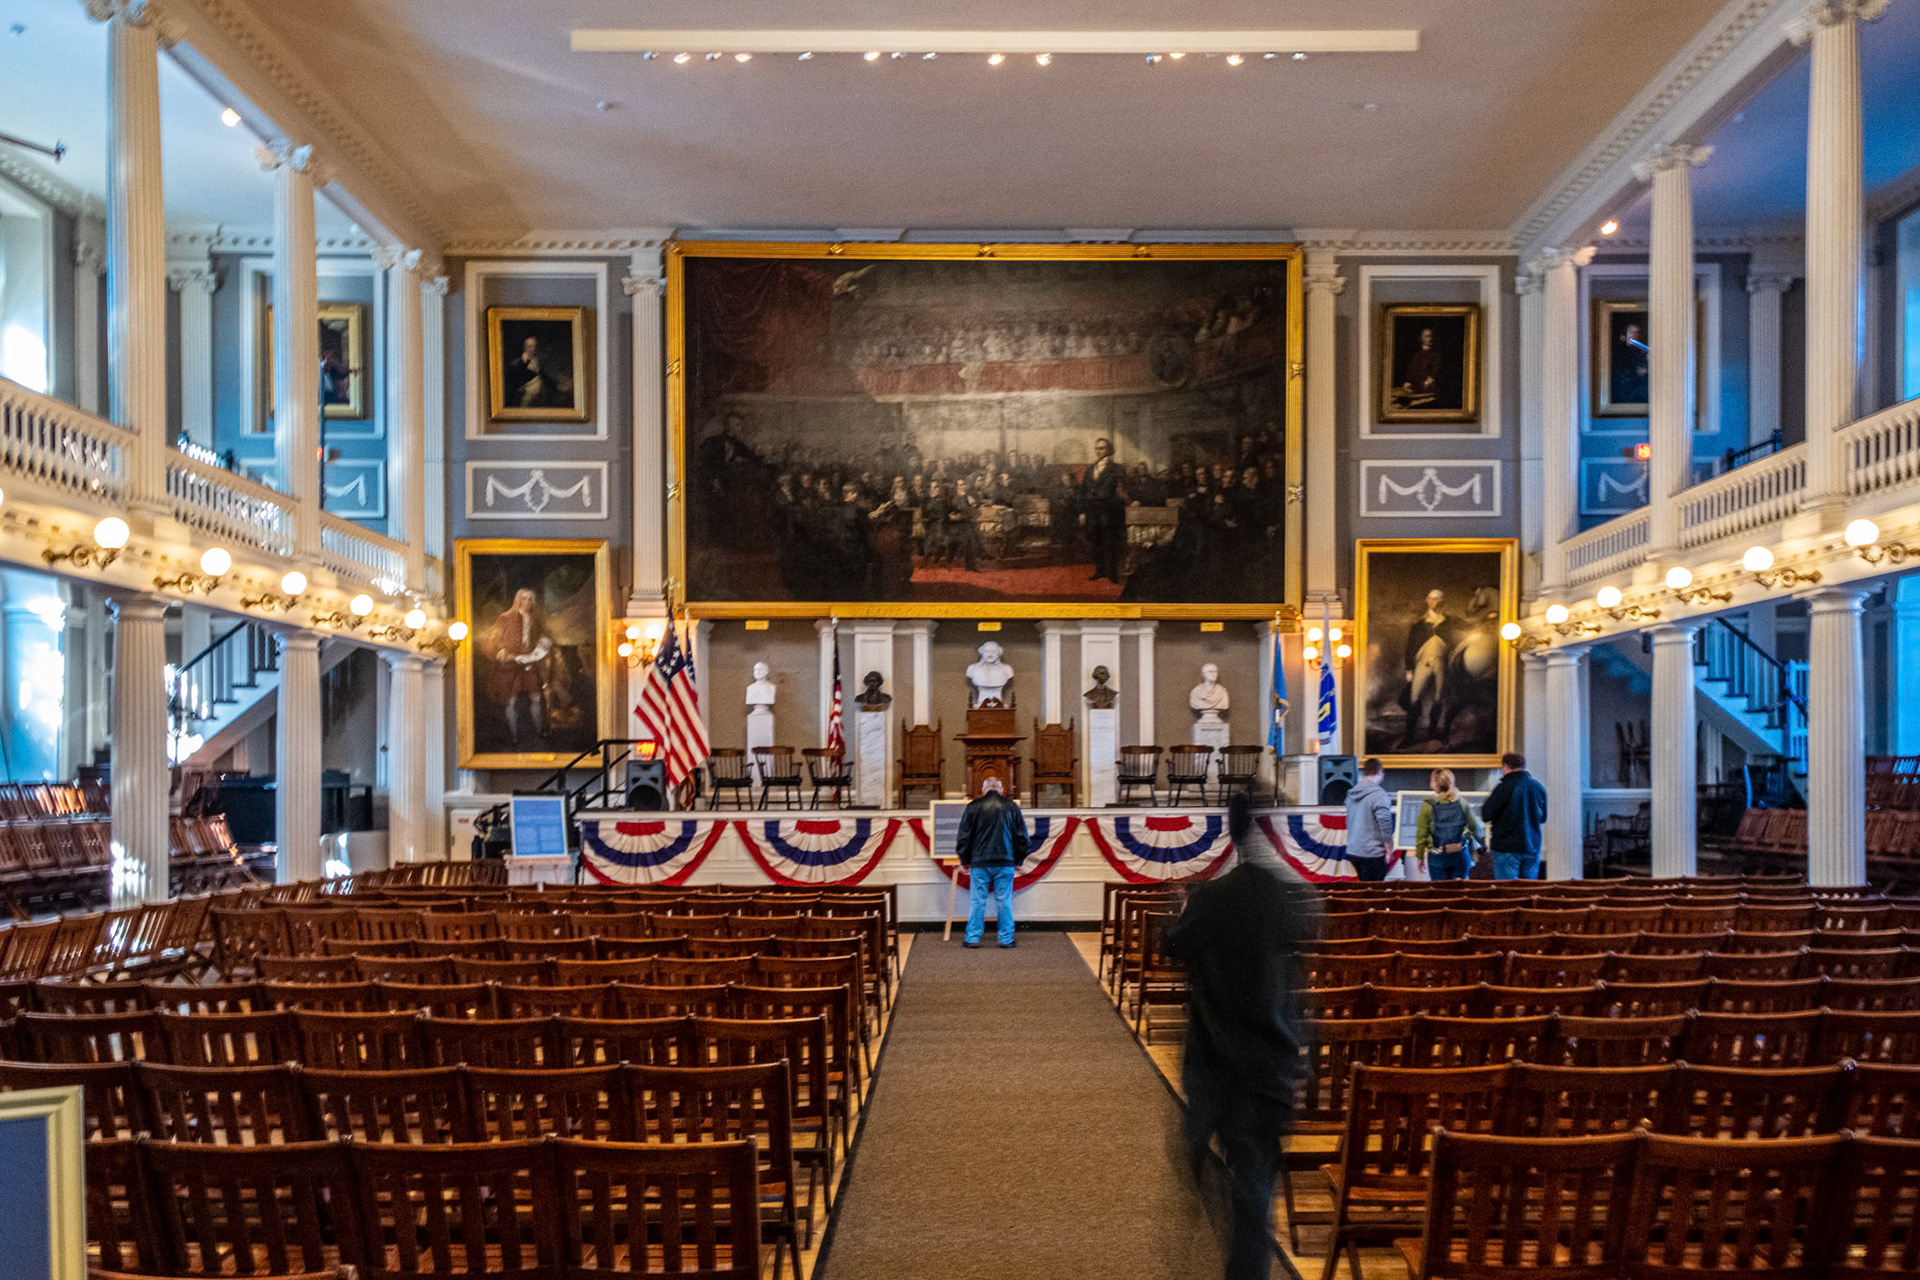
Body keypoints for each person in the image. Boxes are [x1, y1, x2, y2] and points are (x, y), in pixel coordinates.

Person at [1165, 795, 1319, 1280]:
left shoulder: (1211, 898)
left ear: (1232, 835)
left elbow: (1174, 947)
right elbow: (1300, 958)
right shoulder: (1293, 897)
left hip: (1217, 1056)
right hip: (1272, 1058)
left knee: (1208, 1158)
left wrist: (1182, 910)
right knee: (1254, 1179)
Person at [955, 776, 1030, 948]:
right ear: (1001, 790)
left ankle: (972, 938)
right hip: (1005, 860)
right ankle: (1005, 939)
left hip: (980, 861)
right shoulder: (1011, 807)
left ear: (983, 789)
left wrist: (964, 859)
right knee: (1004, 900)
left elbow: (964, 837)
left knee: (977, 900)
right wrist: (1019, 859)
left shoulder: (973, 806)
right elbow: (1022, 837)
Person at [484, 587, 553, 748]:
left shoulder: (535, 619)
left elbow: (543, 637)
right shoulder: (505, 618)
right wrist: (503, 653)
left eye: (530, 599)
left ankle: (539, 731)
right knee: (511, 700)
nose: (527, 602)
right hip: (510, 664)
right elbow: (491, 641)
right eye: (524, 598)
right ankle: (513, 735)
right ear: (518, 600)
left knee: (536, 697)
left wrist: (542, 646)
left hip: (530, 662)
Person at [1481, 751, 1548, 880]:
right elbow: (1543, 817)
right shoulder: (1538, 787)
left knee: (1508, 892)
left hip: (1507, 847)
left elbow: (1486, 814)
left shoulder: (1504, 787)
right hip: (1532, 846)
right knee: (1528, 891)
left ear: (1506, 766)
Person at [1415, 767, 1484, 881]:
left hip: (1438, 856)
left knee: (1441, 894)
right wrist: (1482, 844)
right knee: (1459, 893)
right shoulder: (1461, 802)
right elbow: (1474, 826)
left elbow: (1421, 834)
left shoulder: (1428, 805)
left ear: (1436, 784)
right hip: (1460, 854)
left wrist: (1420, 856)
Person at [1343, 757, 1395, 882]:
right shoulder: (1379, 795)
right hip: (1372, 852)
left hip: (1354, 850)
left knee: (1364, 890)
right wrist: (1389, 849)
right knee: (1374, 894)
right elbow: (1385, 825)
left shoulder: (1351, 794)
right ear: (1379, 772)